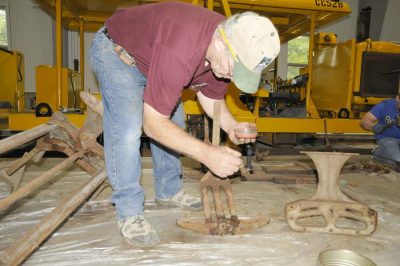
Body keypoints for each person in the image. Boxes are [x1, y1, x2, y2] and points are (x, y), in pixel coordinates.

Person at [90, 1, 280, 247]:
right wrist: (207, 154)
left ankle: (168, 191)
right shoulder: (182, 48)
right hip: (118, 54)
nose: (233, 77)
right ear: (221, 44)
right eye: (236, 69)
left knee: (174, 123)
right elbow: (153, 124)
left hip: (155, 59)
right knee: (127, 131)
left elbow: (211, 96)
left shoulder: (226, 52)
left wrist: (231, 126)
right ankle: (129, 212)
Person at [359, 94, 400, 167]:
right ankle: (378, 153)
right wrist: (373, 127)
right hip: (388, 138)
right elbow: (363, 122)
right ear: (397, 98)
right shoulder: (385, 105)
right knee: (397, 160)